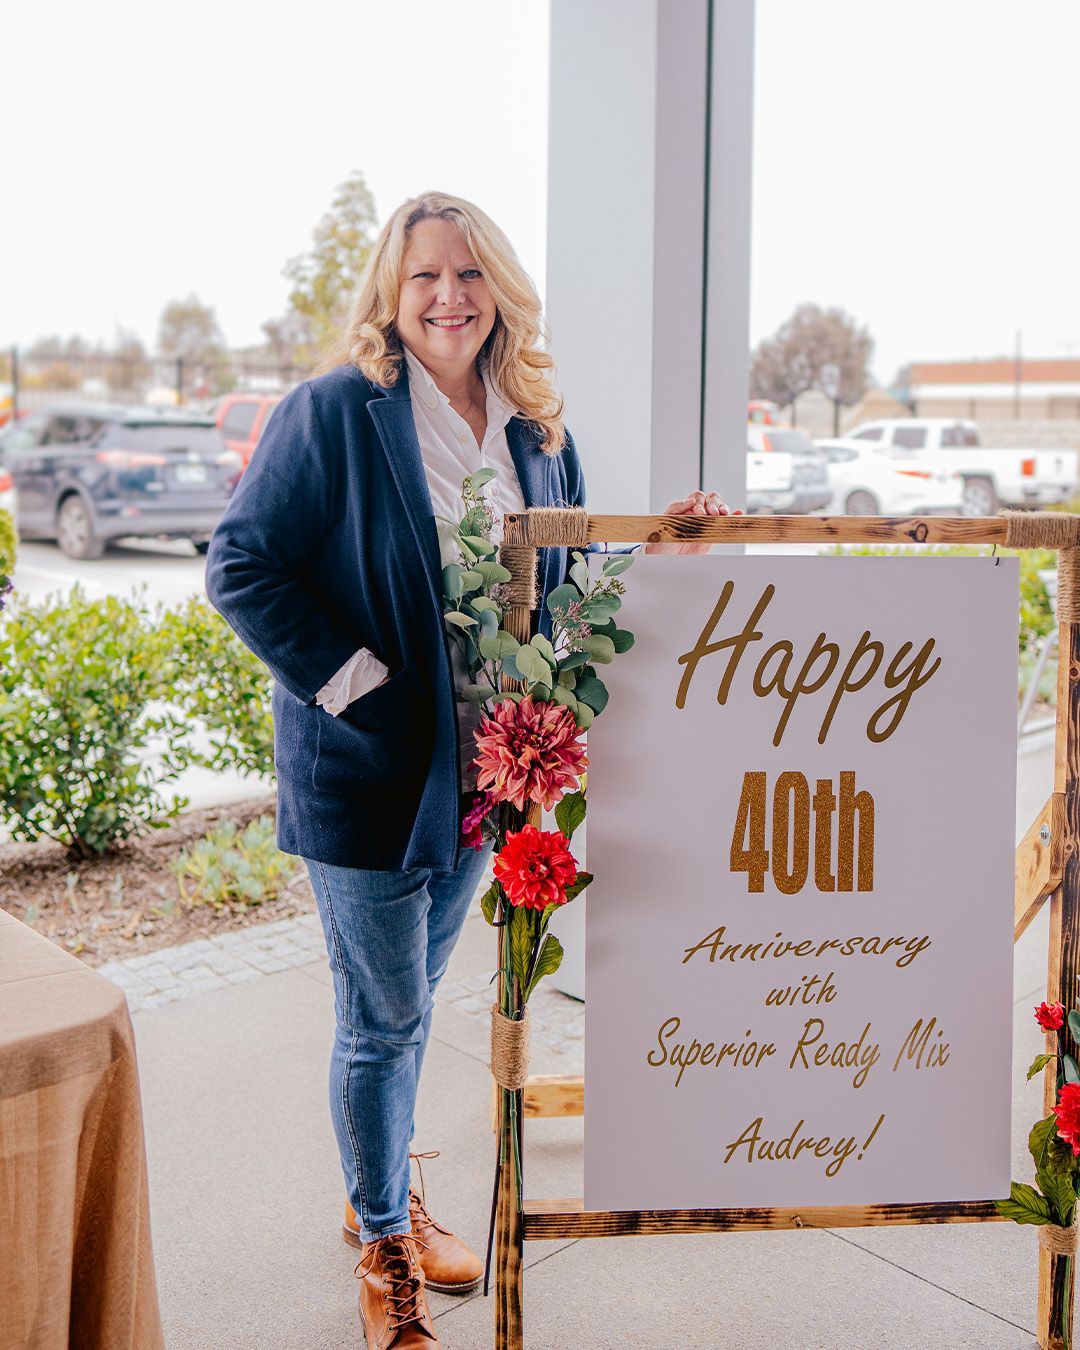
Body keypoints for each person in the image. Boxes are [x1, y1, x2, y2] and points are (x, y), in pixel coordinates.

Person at [205, 190, 732, 1349]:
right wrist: (365, 694)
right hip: (369, 775)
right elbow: (240, 564)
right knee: (386, 1021)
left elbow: (571, 581)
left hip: (490, 779)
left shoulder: (538, 428)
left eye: (469, 274)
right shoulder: (336, 410)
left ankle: (372, 1193)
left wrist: (663, 545)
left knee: (398, 1010)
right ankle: (387, 1241)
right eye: (423, 277)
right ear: (391, 299)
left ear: (499, 289)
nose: (448, 296)